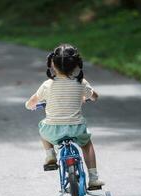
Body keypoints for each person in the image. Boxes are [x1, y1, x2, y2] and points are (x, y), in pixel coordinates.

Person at [25, 44, 104, 188]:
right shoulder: (81, 83)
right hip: (76, 129)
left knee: (43, 126)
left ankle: (50, 155)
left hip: (52, 131)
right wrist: (87, 97)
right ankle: (93, 178)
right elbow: (95, 96)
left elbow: (31, 102)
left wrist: (30, 106)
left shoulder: (47, 85)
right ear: (76, 66)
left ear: (52, 64)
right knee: (87, 145)